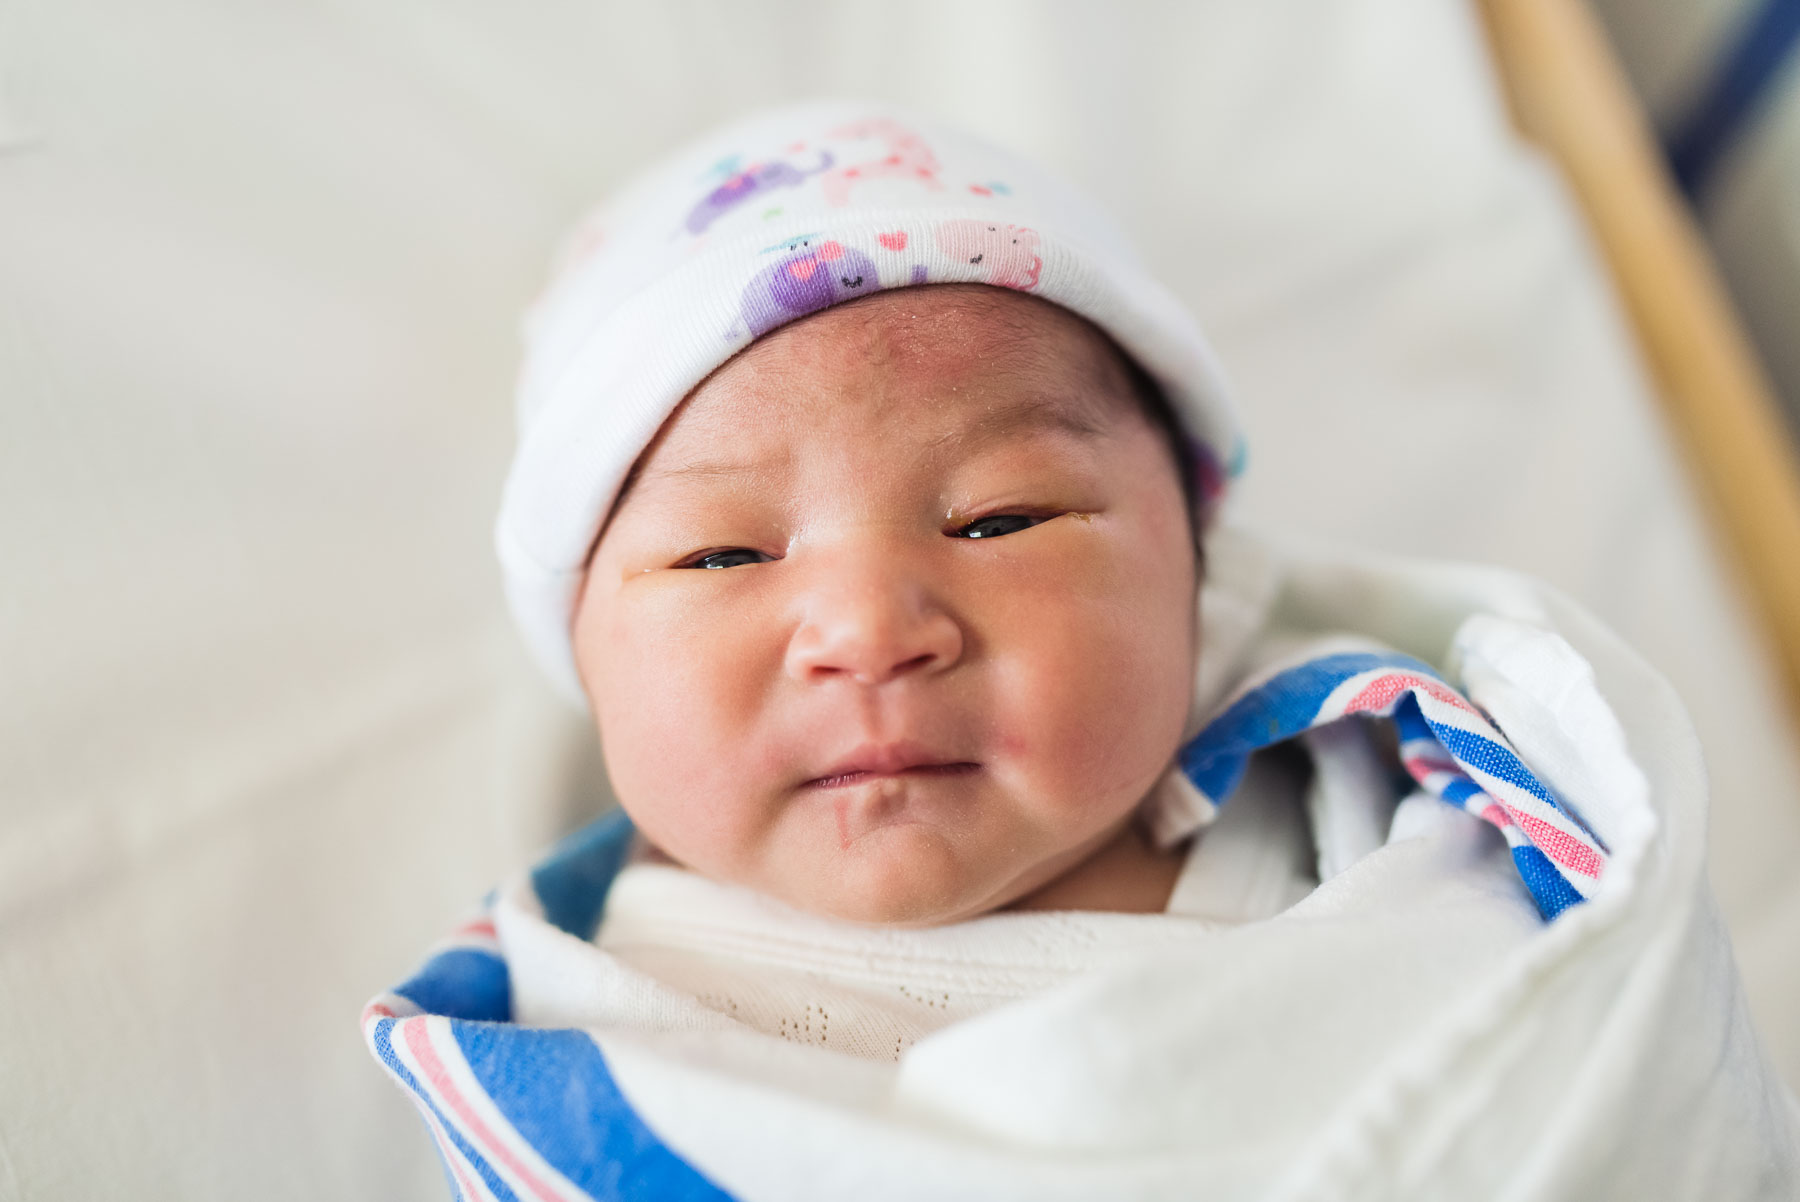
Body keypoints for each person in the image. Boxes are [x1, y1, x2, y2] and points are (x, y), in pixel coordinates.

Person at [364, 101, 1798, 1201]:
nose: (867, 629)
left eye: (1002, 516)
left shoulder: (1393, 830)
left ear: (1195, 578)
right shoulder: (584, 1053)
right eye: (725, 554)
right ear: (590, 658)